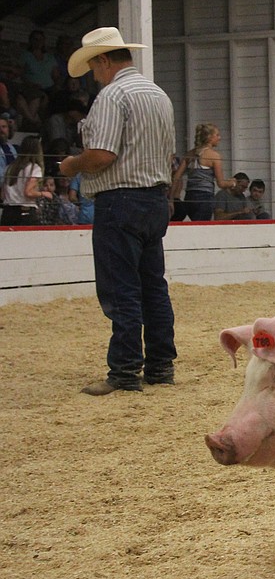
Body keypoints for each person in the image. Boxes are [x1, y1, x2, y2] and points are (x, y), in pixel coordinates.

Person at [58, 26, 177, 396]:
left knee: (121, 288)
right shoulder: (158, 94)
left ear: (104, 60)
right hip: (155, 197)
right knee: (153, 285)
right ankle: (160, 366)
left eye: (94, 67)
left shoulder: (113, 96)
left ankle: (124, 371)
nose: (94, 76)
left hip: (120, 200)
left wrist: (72, 165)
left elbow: (102, 156)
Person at [170, 123, 236, 221]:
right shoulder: (214, 156)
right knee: (202, 227)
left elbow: (176, 177)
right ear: (209, 138)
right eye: (217, 135)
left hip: (189, 197)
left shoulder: (190, 154)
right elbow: (221, 183)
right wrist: (232, 183)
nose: (219, 137)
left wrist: (171, 199)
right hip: (205, 197)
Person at [2, 136, 54, 225]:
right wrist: (44, 194)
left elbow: (3, 194)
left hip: (8, 211)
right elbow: (28, 192)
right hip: (25, 211)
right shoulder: (34, 168)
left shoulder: (9, 168)